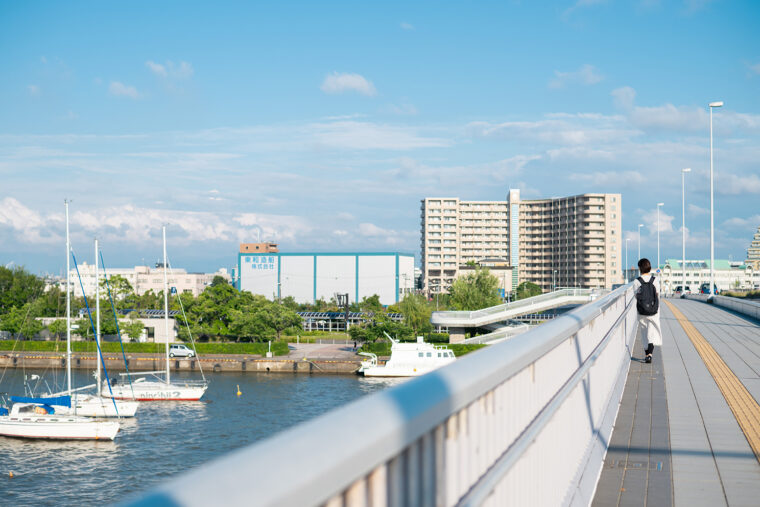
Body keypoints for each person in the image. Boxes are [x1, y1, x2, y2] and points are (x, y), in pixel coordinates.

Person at [634, 258, 662, 364]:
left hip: (642, 310)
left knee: (644, 331)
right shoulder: (655, 280)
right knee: (652, 331)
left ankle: (647, 354)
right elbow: (658, 294)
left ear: (640, 268)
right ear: (649, 267)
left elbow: (636, 295)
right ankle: (650, 354)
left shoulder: (637, 281)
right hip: (653, 309)